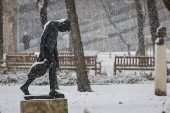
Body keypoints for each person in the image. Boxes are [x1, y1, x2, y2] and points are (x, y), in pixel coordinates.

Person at [20, 19, 71, 98]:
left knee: (41, 69)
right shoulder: (51, 24)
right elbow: (43, 39)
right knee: (49, 68)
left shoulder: (56, 28)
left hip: (50, 51)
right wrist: (42, 53)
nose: (63, 31)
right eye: (65, 29)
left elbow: (54, 46)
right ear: (64, 24)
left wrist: (57, 60)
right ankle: (52, 90)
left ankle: (25, 86)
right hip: (46, 50)